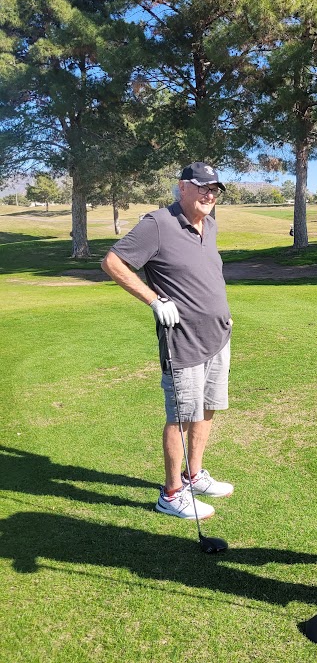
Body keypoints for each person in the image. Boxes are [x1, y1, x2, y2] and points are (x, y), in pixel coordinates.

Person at [101, 162, 234, 521]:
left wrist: (222, 312)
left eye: (214, 190)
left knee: (207, 407)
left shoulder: (210, 225)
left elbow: (207, 274)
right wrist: (153, 299)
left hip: (218, 335)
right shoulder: (158, 224)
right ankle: (172, 493)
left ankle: (194, 475)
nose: (209, 195)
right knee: (181, 416)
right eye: (203, 187)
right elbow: (113, 262)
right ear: (182, 187)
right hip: (183, 341)